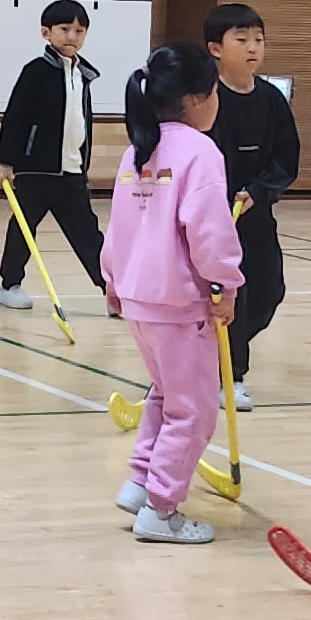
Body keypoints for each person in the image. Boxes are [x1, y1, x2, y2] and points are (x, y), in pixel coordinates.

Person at [101, 44, 243, 546]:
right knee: (195, 409)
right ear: (199, 98)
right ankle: (161, 509)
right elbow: (208, 230)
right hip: (180, 303)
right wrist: (224, 283)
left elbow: (118, 226)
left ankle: (141, 481)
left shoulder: (138, 147)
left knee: (165, 396)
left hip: (138, 298)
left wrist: (112, 281)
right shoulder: (200, 152)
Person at [200, 3, 301, 410]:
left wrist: (260, 189)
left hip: (256, 213)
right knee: (230, 297)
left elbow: (287, 155)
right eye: (241, 39)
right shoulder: (206, 98)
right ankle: (231, 375)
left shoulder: (272, 99)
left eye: (258, 39)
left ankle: (217, 355)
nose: (252, 47)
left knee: (269, 293)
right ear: (216, 48)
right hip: (215, 217)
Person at [0, 0, 110, 312]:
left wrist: (83, 162)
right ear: (47, 32)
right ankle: (9, 284)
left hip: (71, 173)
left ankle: (112, 290)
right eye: (65, 29)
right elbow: (16, 117)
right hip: (36, 171)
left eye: (79, 30)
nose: (72, 36)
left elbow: (81, 121)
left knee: (88, 234)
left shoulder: (83, 75)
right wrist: (5, 159)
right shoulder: (36, 72)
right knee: (23, 229)